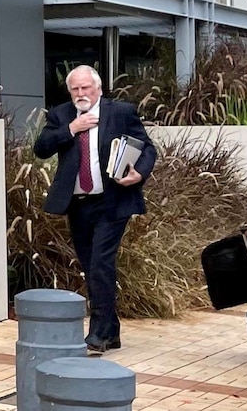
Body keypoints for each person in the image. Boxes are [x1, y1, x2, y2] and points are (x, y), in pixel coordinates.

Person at [33, 65, 156, 352]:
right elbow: (41, 148)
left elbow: (148, 148)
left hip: (112, 201)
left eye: (85, 88)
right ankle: (111, 332)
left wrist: (139, 172)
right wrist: (71, 129)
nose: (80, 94)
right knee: (92, 267)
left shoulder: (121, 112)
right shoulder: (61, 115)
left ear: (98, 88)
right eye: (75, 89)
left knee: (101, 263)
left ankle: (99, 333)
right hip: (78, 204)